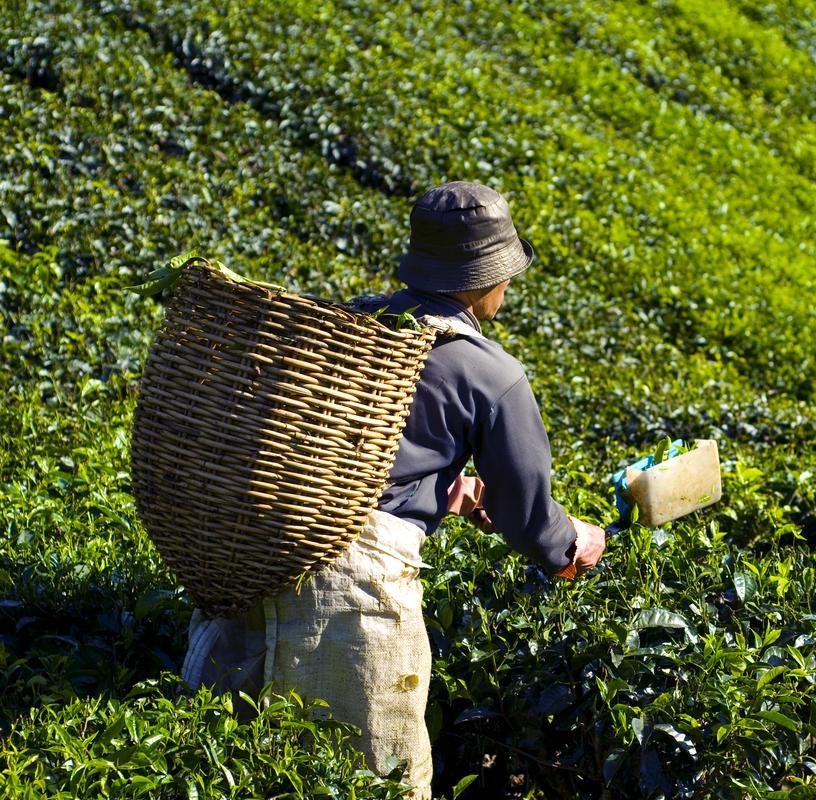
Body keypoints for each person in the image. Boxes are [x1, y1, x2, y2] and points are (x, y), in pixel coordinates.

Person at [180, 181, 607, 799]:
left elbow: (350, 454)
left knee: (231, 771)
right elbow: (528, 513)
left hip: (260, 552)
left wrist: (441, 489)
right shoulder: (492, 373)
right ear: (484, 277)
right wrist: (573, 547)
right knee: (371, 779)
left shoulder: (355, 320)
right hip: (349, 596)